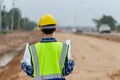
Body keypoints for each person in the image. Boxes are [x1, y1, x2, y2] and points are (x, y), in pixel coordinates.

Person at [21, 14, 74, 80]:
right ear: (54, 29)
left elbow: (31, 72)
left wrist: (23, 64)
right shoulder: (63, 48)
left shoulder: (33, 49)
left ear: (41, 30)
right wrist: (71, 61)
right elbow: (66, 71)